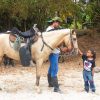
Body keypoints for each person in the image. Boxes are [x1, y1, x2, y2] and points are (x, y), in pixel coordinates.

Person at [46, 17, 68, 92]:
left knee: (52, 67)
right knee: (55, 68)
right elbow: (52, 42)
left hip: (56, 51)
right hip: (53, 52)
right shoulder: (49, 30)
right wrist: (61, 48)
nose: (58, 25)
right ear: (54, 22)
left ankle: (50, 83)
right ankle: (56, 88)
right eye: (58, 23)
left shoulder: (54, 29)